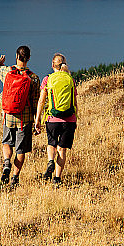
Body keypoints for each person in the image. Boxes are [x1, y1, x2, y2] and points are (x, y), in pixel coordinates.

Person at [0, 45, 40, 187]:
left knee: (7, 142)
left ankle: (7, 163)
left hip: (8, 116)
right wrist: (37, 121)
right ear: (29, 58)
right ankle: (15, 178)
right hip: (24, 120)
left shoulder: (7, 72)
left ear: (16, 56)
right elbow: (36, 101)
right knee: (21, 150)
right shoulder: (33, 78)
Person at [34, 53, 77, 187]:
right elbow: (75, 101)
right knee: (62, 149)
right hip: (69, 120)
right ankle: (57, 179)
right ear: (64, 64)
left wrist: (37, 120)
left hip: (52, 119)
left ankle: (50, 161)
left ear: (53, 65)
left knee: (51, 144)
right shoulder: (71, 79)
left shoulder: (48, 79)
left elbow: (41, 101)